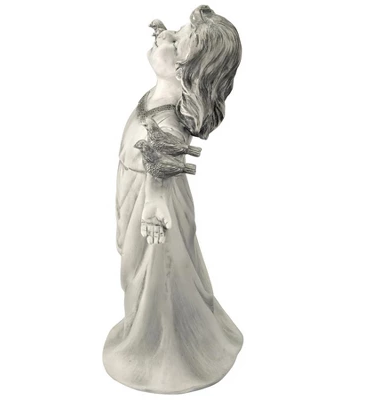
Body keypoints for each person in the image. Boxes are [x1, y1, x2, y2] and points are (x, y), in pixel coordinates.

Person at [103, 5, 243, 394]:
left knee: (155, 272)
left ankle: (164, 348)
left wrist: (154, 204)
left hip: (154, 208)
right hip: (134, 190)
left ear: (184, 70)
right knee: (142, 268)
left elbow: (161, 169)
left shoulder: (167, 123)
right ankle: (153, 333)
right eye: (175, 31)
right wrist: (166, 38)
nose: (165, 36)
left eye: (177, 41)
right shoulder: (161, 98)